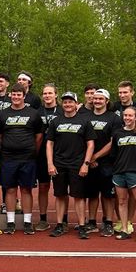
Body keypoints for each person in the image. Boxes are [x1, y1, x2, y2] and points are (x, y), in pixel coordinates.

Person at [45, 92, 96, 239]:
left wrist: (86, 164)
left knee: (79, 196)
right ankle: (60, 225)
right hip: (59, 164)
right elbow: (49, 143)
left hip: (77, 164)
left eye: (70, 102)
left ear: (76, 103)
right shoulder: (55, 121)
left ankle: (81, 226)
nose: (68, 105)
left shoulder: (84, 121)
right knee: (60, 195)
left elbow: (90, 144)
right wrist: (50, 163)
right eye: (65, 102)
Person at [0, 83, 43, 235]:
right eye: (13, 94)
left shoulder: (33, 113)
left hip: (27, 158)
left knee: (26, 189)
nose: (16, 97)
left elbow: (39, 135)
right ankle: (10, 222)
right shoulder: (3, 114)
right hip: (8, 158)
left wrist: (31, 150)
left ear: (24, 96)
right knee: (9, 189)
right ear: (10, 95)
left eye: (19, 95)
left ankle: (27, 222)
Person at [85, 89, 123, 236]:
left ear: (107, 101)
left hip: (107, 162)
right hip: (90, 161)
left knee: (108, 195)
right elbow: (83, 139)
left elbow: (113, 142)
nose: (97, 101)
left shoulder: (114, 118)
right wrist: (90, 159)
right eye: (95, 99)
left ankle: (108, 222)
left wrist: (96, 156)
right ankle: (92, 222)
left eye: (101, 99)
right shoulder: (86, 116)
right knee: (92, 194)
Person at [110, 106, 136, 241]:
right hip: (119, 172)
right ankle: (124, 229)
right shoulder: (117, 134)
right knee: (121, 201)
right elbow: (115, 154)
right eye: (125, 115)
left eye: (130, 115)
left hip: (135, 173)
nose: (127, 118)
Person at [36, 83, 60, 231]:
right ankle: (43, 219)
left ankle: (62, 220)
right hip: (41, 155)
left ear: (56, 95)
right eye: (45, 93)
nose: (47, 96)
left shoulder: (64, 111)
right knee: (43, 187)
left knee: (61, 189)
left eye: (50, 93)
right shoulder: (37, 112)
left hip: (60, 154)